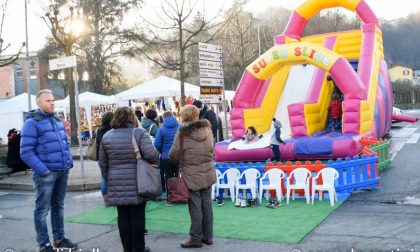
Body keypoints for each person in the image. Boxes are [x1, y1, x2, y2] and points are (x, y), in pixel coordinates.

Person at [20, 89, 76, 252]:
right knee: (42, 210)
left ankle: (59, 239)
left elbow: (65, 144)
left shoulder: (57, 120)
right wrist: (43, 170)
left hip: (62, 170)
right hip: (46, 173)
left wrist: (69, 162)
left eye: (52, 100)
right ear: (39, 103)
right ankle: (44, 244)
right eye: (48, 101)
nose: (52, 103)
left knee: (58, 206)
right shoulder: (31, 123)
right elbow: (25, 152)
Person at [99, 107, 160, 252]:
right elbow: (151, 153)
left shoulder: (107, 136)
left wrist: (108, 178)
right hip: (138, 181)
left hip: (116, 182)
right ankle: (139, 248)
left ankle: (127, 248)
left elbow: (102, 162)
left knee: (123, 216)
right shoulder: (139, 133)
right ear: (132, 118)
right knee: (138, 216)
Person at [169, 105, 217, 248]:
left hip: (191, 174)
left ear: (184, 116)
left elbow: (173, 154)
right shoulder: (207, 129)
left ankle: (195, 238)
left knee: (195, 206)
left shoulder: (182, 132)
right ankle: (208, 236)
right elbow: (211, 148)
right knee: (207, 205)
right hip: (208, 171)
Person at [154, 111, 180, 204]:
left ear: (163, 118)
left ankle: (171, 197)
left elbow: (157, 144)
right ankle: (181, 195)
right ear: (173, 116)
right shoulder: (180, 127)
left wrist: (163, 151)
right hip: (179, 156)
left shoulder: (161, 129)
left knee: (168, 178)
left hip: (166, 157)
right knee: (178, 176)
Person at [95, 112, 114, 206]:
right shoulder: (113, 130)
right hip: (112, 156)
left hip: (101, 156)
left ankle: (105, 198)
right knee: (113, 177)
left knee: (104, 177)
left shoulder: (99, 130)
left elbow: (98, 142)